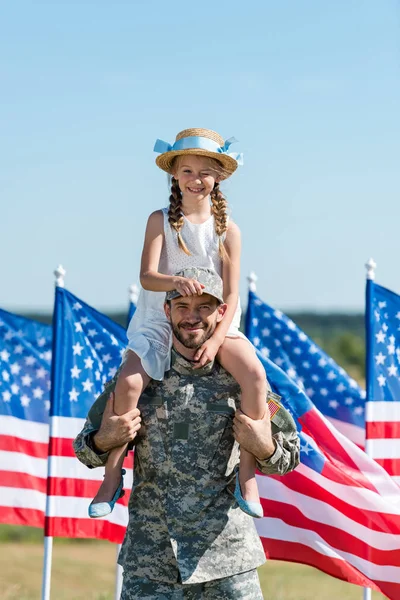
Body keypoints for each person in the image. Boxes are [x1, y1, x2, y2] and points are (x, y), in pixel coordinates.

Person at [74, 267, 300, 599]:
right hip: (151, 564)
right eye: (182, 307)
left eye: (203, 307)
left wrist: (263, 446)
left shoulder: (242, 378)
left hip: (227, 560)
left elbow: (290, 456)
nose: (191, 317)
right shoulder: (140, 375)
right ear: (167, 311)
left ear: (221, 312)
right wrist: (104, 439)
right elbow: (84, 447)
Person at [88, 128, 269, 519]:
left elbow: (233, 294)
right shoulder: (160, 221)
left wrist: (218, 338)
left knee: (254, 374)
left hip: (213, 321)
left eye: (205, 171)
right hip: (159, 318)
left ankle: (248, 475)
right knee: (130, 382)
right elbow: (147, 276)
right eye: (186, 170)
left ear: (218, 176)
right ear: (174, 175)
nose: (195, 178)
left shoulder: (228, 231)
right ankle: (112, 476)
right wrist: (176, 282)